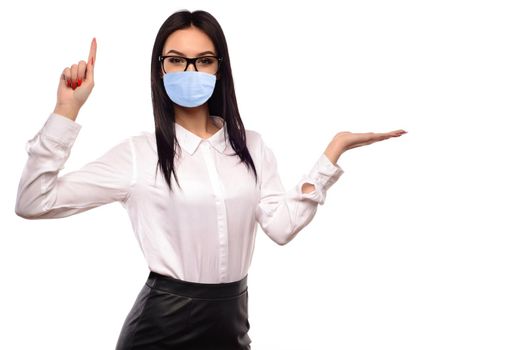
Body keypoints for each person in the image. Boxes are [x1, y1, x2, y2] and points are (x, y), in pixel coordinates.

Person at [14, 9, 406, 350]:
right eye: (176, 60)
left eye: (203, 60)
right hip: (159, 330)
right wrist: (66, 111)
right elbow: (34, 201)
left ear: (220, 67)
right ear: (160, 68)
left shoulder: (251, 147)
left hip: (232, 326)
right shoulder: (139, 154)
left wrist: (332, 151)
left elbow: (282, 228)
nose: (190, 71)